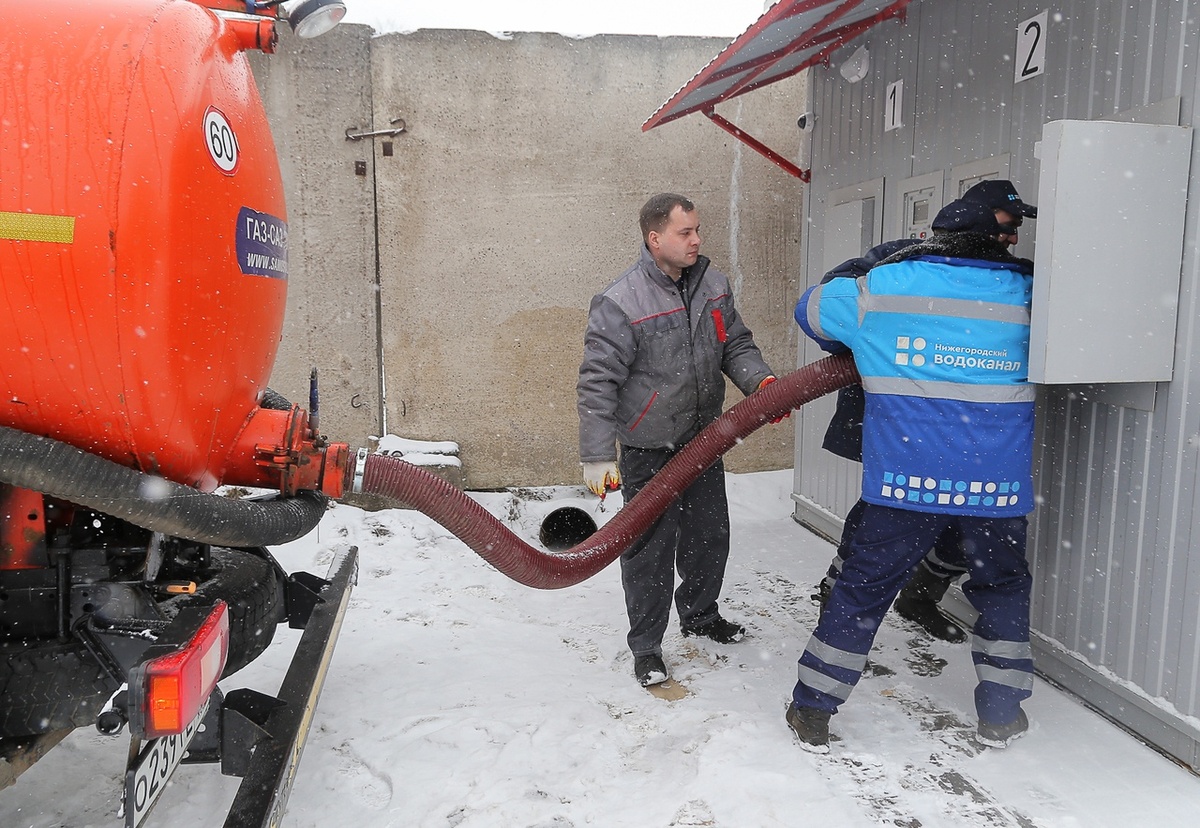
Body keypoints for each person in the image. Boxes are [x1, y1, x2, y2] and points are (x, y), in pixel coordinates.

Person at [786, 198, 1036, 752]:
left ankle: (813, 709)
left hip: (905, 483)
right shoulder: (1035, 294)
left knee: (863, 589)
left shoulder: (885, 285)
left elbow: (812, 309)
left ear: (936, 232)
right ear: (1004, 240)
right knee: (1002, 590)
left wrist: (879, 262)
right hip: (995, 485)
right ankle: (1000, 714)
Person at [815, 179, 1037, 643]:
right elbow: (830, 299)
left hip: (966, 436)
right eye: (1008, 221)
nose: (1014, 234)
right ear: (977, 216)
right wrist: (864, 344)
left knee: (959, 530)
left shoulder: (1016, 283)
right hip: (899, 418)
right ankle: (835, 600)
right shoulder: (897, 261)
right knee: (877, 528)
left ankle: (920, 596)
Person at [577, 192, 779, 688]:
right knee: (648, 550)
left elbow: (736, 342)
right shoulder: (621, 300)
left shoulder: (712, 283)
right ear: (655, 237)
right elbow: (597, 382)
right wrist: (599, 455)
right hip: (649, 447)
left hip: (703, 440)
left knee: (710, 536)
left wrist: (761, 381)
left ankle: (701, 615)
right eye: (685, 232)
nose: (697, 240)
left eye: (697, 230)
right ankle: (646, 647)